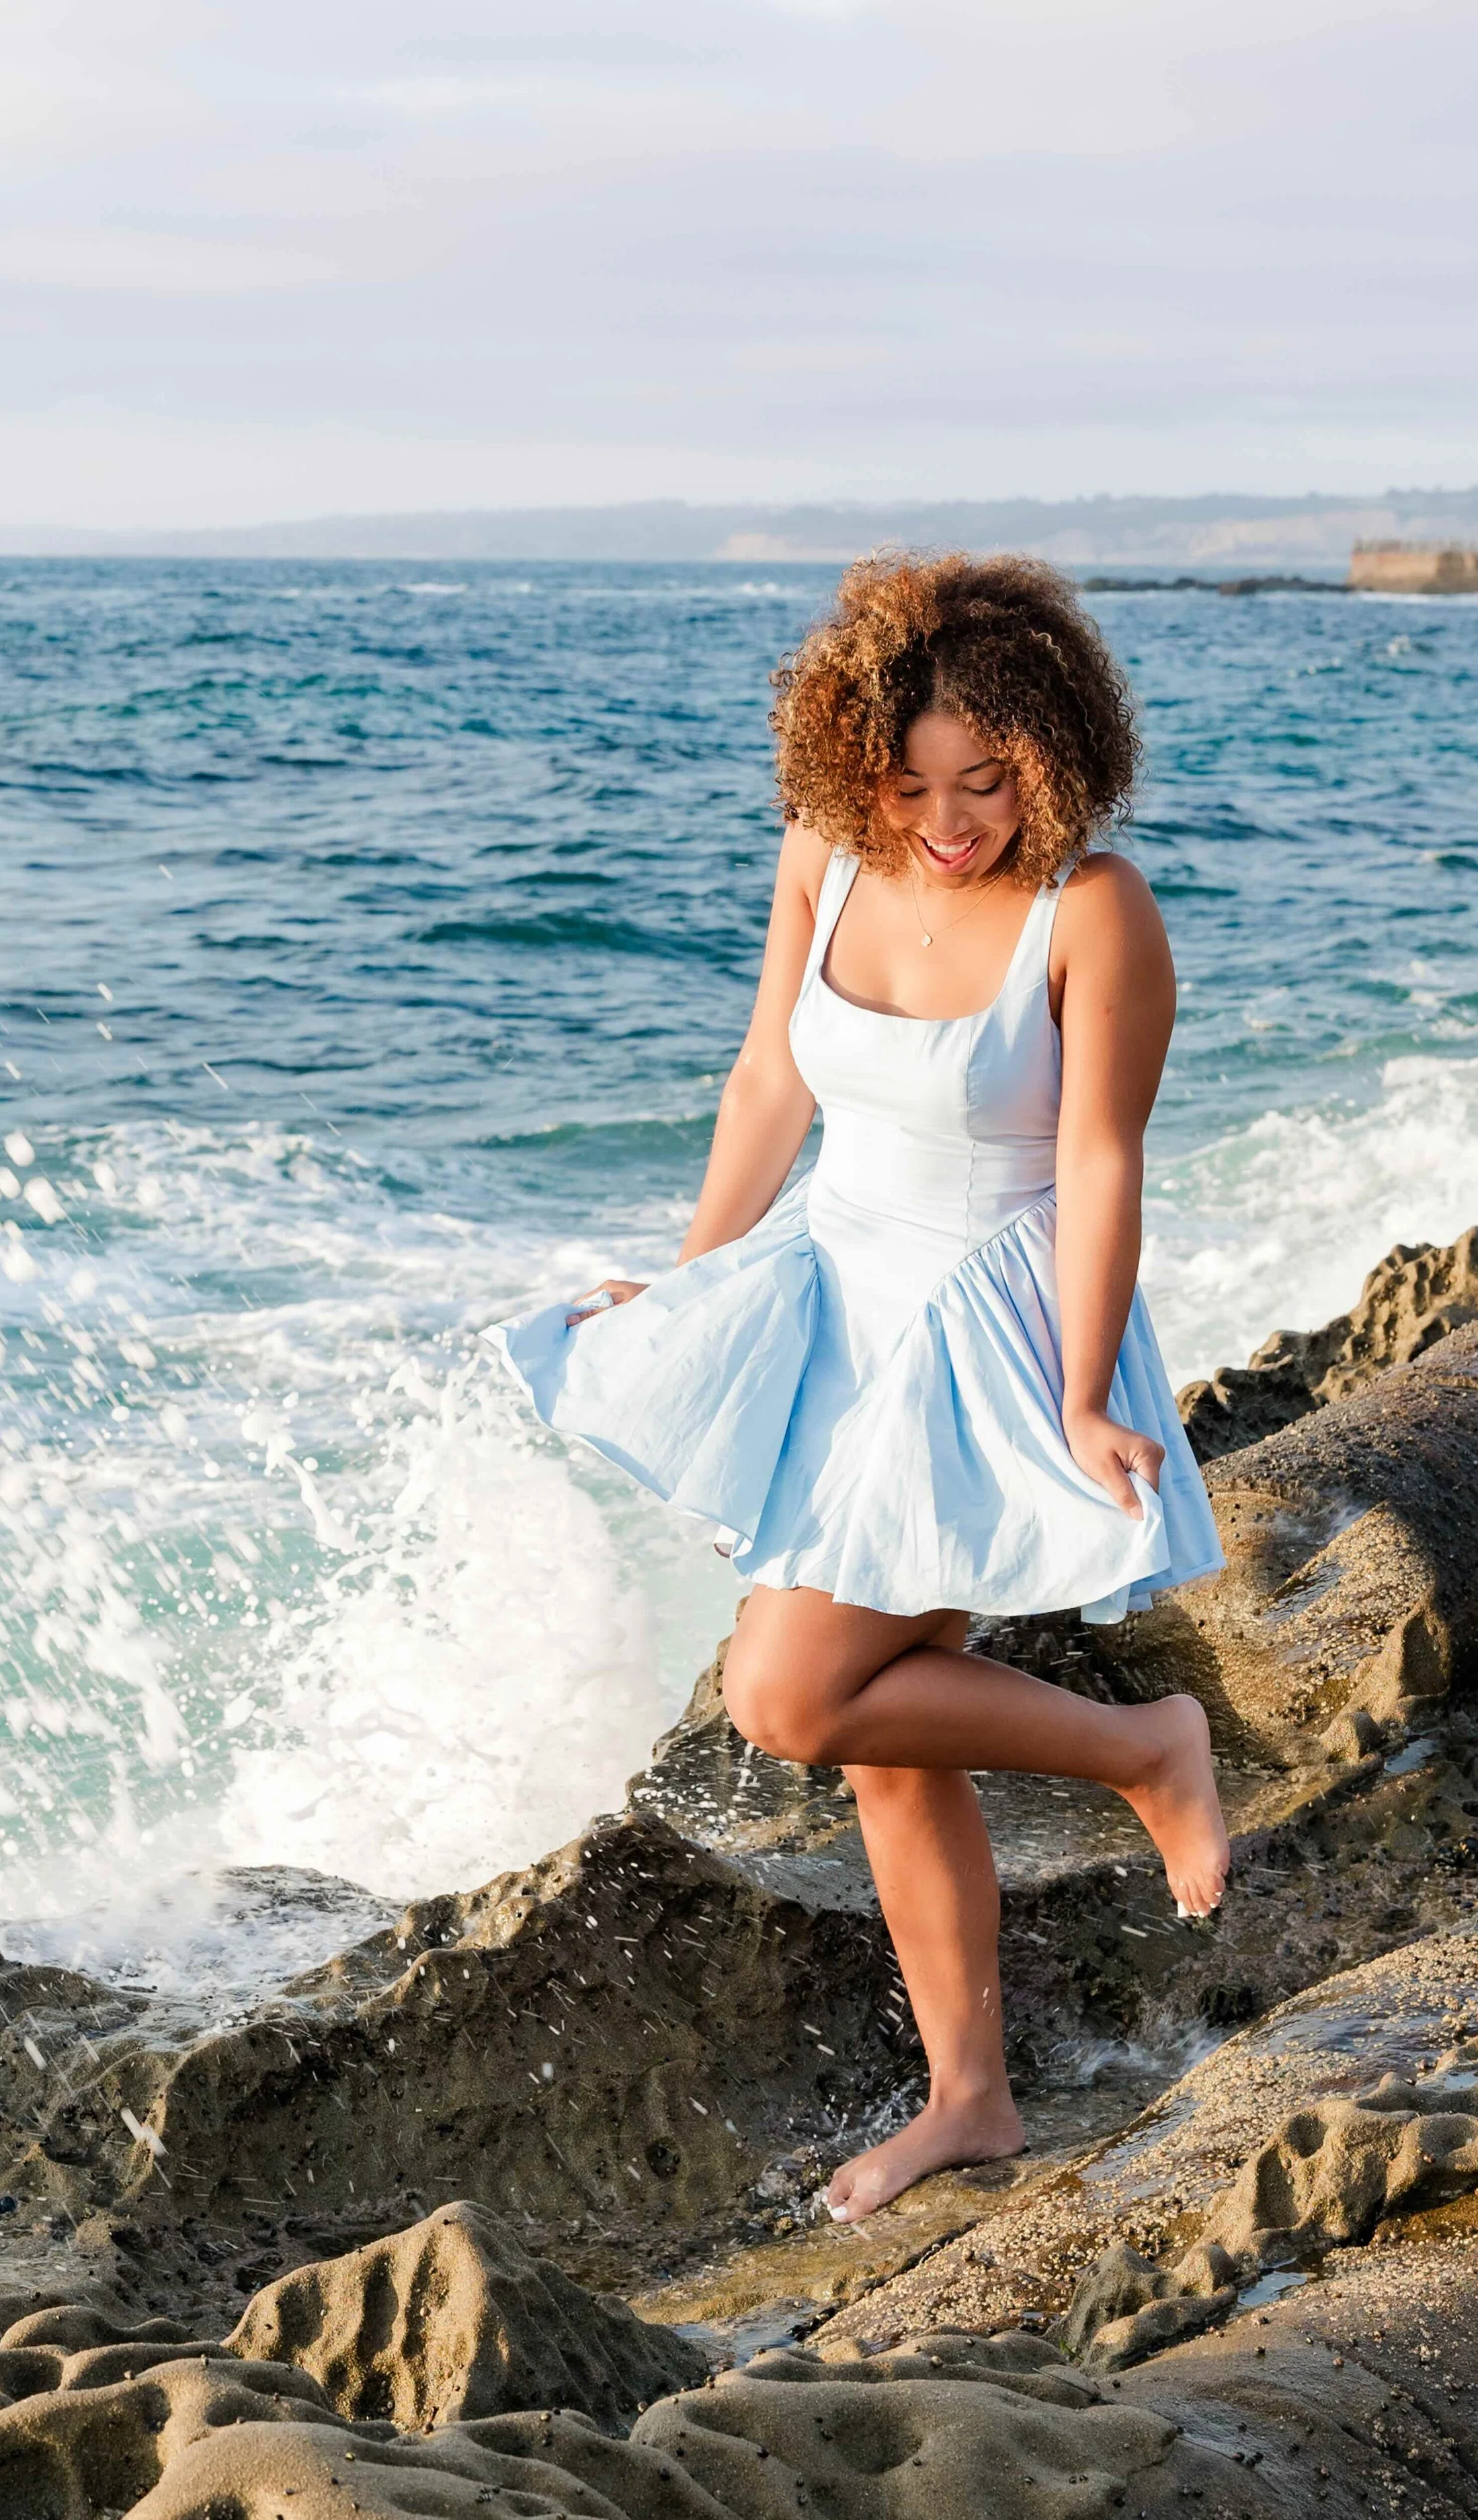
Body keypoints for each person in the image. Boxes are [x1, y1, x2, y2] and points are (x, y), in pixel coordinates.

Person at [485, 552, 1228, 2222]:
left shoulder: (1091, 910)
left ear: (1054, 742)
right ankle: (972, 2097)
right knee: (890, 1750)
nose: (950, 820)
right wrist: (691, 1276)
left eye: (987, 778)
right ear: (847, 766)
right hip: (833, 1299)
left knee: (794, 1695)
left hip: (984, 1324)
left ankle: (1143, 1748)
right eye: (908, 784)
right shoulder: (821, 858)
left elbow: (1102, 1162)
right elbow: (769, 1076)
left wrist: (1088, 1382)